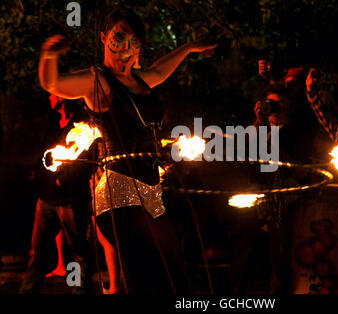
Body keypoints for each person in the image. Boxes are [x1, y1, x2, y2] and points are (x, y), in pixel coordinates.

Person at [38, 8, 216, 294]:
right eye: (117, 38)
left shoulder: (144, 80)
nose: (124, 49)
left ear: (140, 47)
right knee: (144, 274)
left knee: (174, 273)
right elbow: (53, 83)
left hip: (151, 193)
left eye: (133, 42)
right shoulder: (97, 81)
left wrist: (191, 48)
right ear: (104, 38)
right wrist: (49, 54)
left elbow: (161, 68)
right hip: (118, 193)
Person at [19, 97, 94, 294]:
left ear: (65, 99)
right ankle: (28, 290)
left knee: (77, 252)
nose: (52, 97)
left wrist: (64, 179)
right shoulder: (51, 122)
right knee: (37, 250)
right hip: (46, 197)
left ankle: (78, 289)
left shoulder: (82, 126)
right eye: (52, 95)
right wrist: (38, 174)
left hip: (71, 200)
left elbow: (86, 164)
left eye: (57, 94)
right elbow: (43, 152)